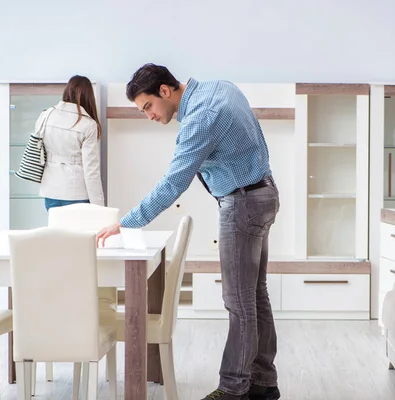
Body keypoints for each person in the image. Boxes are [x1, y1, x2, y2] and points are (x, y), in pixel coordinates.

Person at [96, 64, 281, 400]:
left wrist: (125, 222)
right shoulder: (221, 87)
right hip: (264, 193)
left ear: (165, 91)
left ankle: (233, 389)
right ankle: (264, 384)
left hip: (242, 203)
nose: (148, 116)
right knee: (255, 296)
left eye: (148, 106)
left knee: (239, 302)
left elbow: (172, 185)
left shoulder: (200, 118)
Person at [38, 75, 105, 211]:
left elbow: (39, 152)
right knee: (80, 233)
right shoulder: (88, 125)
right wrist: (99, 207)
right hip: (76, 192)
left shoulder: (46, 115)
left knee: (57, 232)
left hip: (50, 190)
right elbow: (91, 170)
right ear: (89, 96)